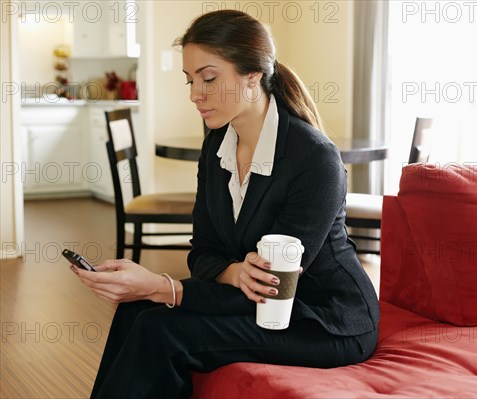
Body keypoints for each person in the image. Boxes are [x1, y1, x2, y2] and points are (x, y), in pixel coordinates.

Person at [71, 9, 379, 398]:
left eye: (209, 78)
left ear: (252, 77)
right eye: (190, 80)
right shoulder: (217, 144)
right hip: (259, 303)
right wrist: (233, 272)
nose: (194, 94)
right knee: (135, 312)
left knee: (160, 327)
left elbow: (274, 287)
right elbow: (203, 251)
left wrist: (163, 287)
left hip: (320, 318)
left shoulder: (313, 159)